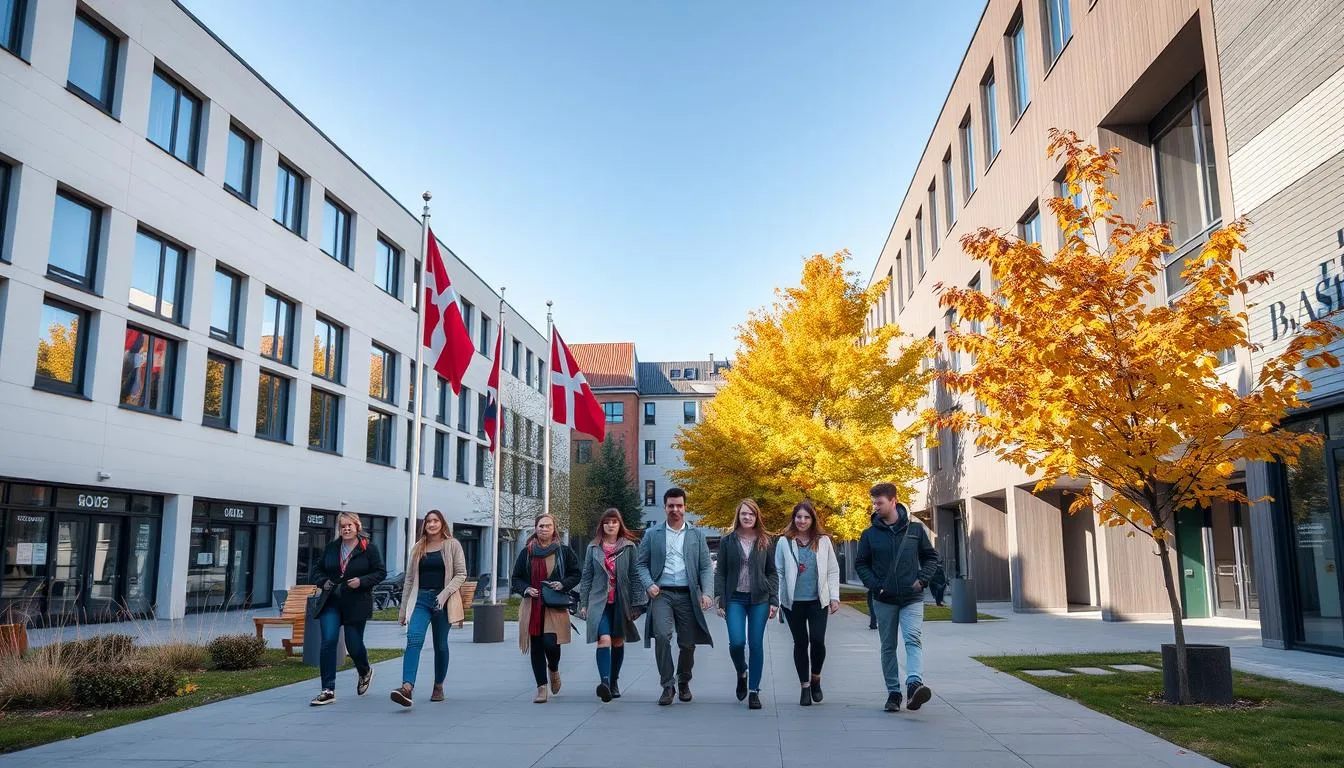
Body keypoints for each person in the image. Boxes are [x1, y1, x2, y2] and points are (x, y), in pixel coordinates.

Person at [855, 483, 941, 713]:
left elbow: (931, 558)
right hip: (884, 600)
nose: (875, 507)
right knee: (888, 646)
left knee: (913, 639)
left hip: (912, 597)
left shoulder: (914, 531)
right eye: (873, 503)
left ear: (894, 501)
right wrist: (876, 586)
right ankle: (894, 693)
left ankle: (913, 685)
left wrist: (922, 580)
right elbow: (861, 564)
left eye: (879, 502)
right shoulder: (869, 534)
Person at [636, 487, 715, 706]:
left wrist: (707, 592)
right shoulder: (653, 534)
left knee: (688, 644)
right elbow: (641, 564)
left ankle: (684, 680)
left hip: (687, 594)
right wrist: (649, 584)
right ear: (664, 507)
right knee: (662, 636)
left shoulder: (696, 535)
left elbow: (706, 567)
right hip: (661, 594)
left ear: (685, 507)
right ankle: (667, 685)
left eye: (679, 505)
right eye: (671, 505)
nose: (675, 509)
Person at [390, 509, 468, 708]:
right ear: (424, 525)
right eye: (428, 521)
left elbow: (461, 574)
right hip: (421, 600)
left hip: (443, 600)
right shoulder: (418, 547)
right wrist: (403, 610)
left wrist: (444, 594)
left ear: (442, 523)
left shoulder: (452, 545)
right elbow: (409, 580)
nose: (431, 524)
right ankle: (406, 688)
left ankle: (438, 685)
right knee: (413, 639)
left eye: (435, 521)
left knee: (440, 644)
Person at [310, 511, 386, 706]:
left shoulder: (368, 548)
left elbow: (380, 572)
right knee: (328, 641)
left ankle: (365, 671)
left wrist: (361, 581)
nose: (346, 528)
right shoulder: (332, 548)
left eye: (349, 525)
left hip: (356, 602)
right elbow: (316, 570)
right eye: (342, 526)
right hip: (331, 602)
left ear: (357, 526)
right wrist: (324, 582)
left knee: (354, 645)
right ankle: (328, 689)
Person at [713, 499, 779, 710]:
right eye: (744, 514)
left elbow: (772, 572)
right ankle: (742, 671)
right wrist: (719, 598)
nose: (747, 517)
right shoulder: (727, 541)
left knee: (756, 644)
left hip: (759, 599)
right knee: (737, 642)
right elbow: (720, 572)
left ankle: (754, 691)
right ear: (738, 516)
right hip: (734, 598)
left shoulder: (765, 540)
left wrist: (773, 600)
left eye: (751, 514)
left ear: (756, 516)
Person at [776, 500, 841, 706]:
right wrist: (778, 600)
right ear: (793, 519)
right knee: (800, 643)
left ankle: (816, 678)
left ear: (812, 519)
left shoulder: (823, 541)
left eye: (806, 517)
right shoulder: (784, 542)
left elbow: (832, 570)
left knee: (818, 640)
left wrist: (834, 597)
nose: (802, 521)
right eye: (798, 517)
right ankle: (804, 686)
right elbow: (778, 572)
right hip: (793, 602)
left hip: (817, 601)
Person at [577, 508, 646, 702]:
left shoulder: (630, 547)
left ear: (619, 524)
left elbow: (635, 575)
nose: (610, 525)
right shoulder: (593, 548)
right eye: (607, 522)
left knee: (617, 641)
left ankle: (614, 680)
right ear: (602, 525)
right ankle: (605, 682)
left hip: (621, 602)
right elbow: (587, 577)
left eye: (614, 522)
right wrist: (583, 603)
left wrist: (637, 604)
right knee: (604, 640)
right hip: (599, 603)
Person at [511, 513, 581, 703]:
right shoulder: (527, 552)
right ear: (536, 528)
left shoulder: (563, 551)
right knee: (536, 646)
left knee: (551, 643)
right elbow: (515, 578)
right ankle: (541, 688)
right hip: (533, 605)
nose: (543, 529)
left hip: (554, 605)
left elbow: (576, 573)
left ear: (554, 529)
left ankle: (554, 669)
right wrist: (525, 589)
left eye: (547, 526)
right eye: (540, 526)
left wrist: (562, 584)